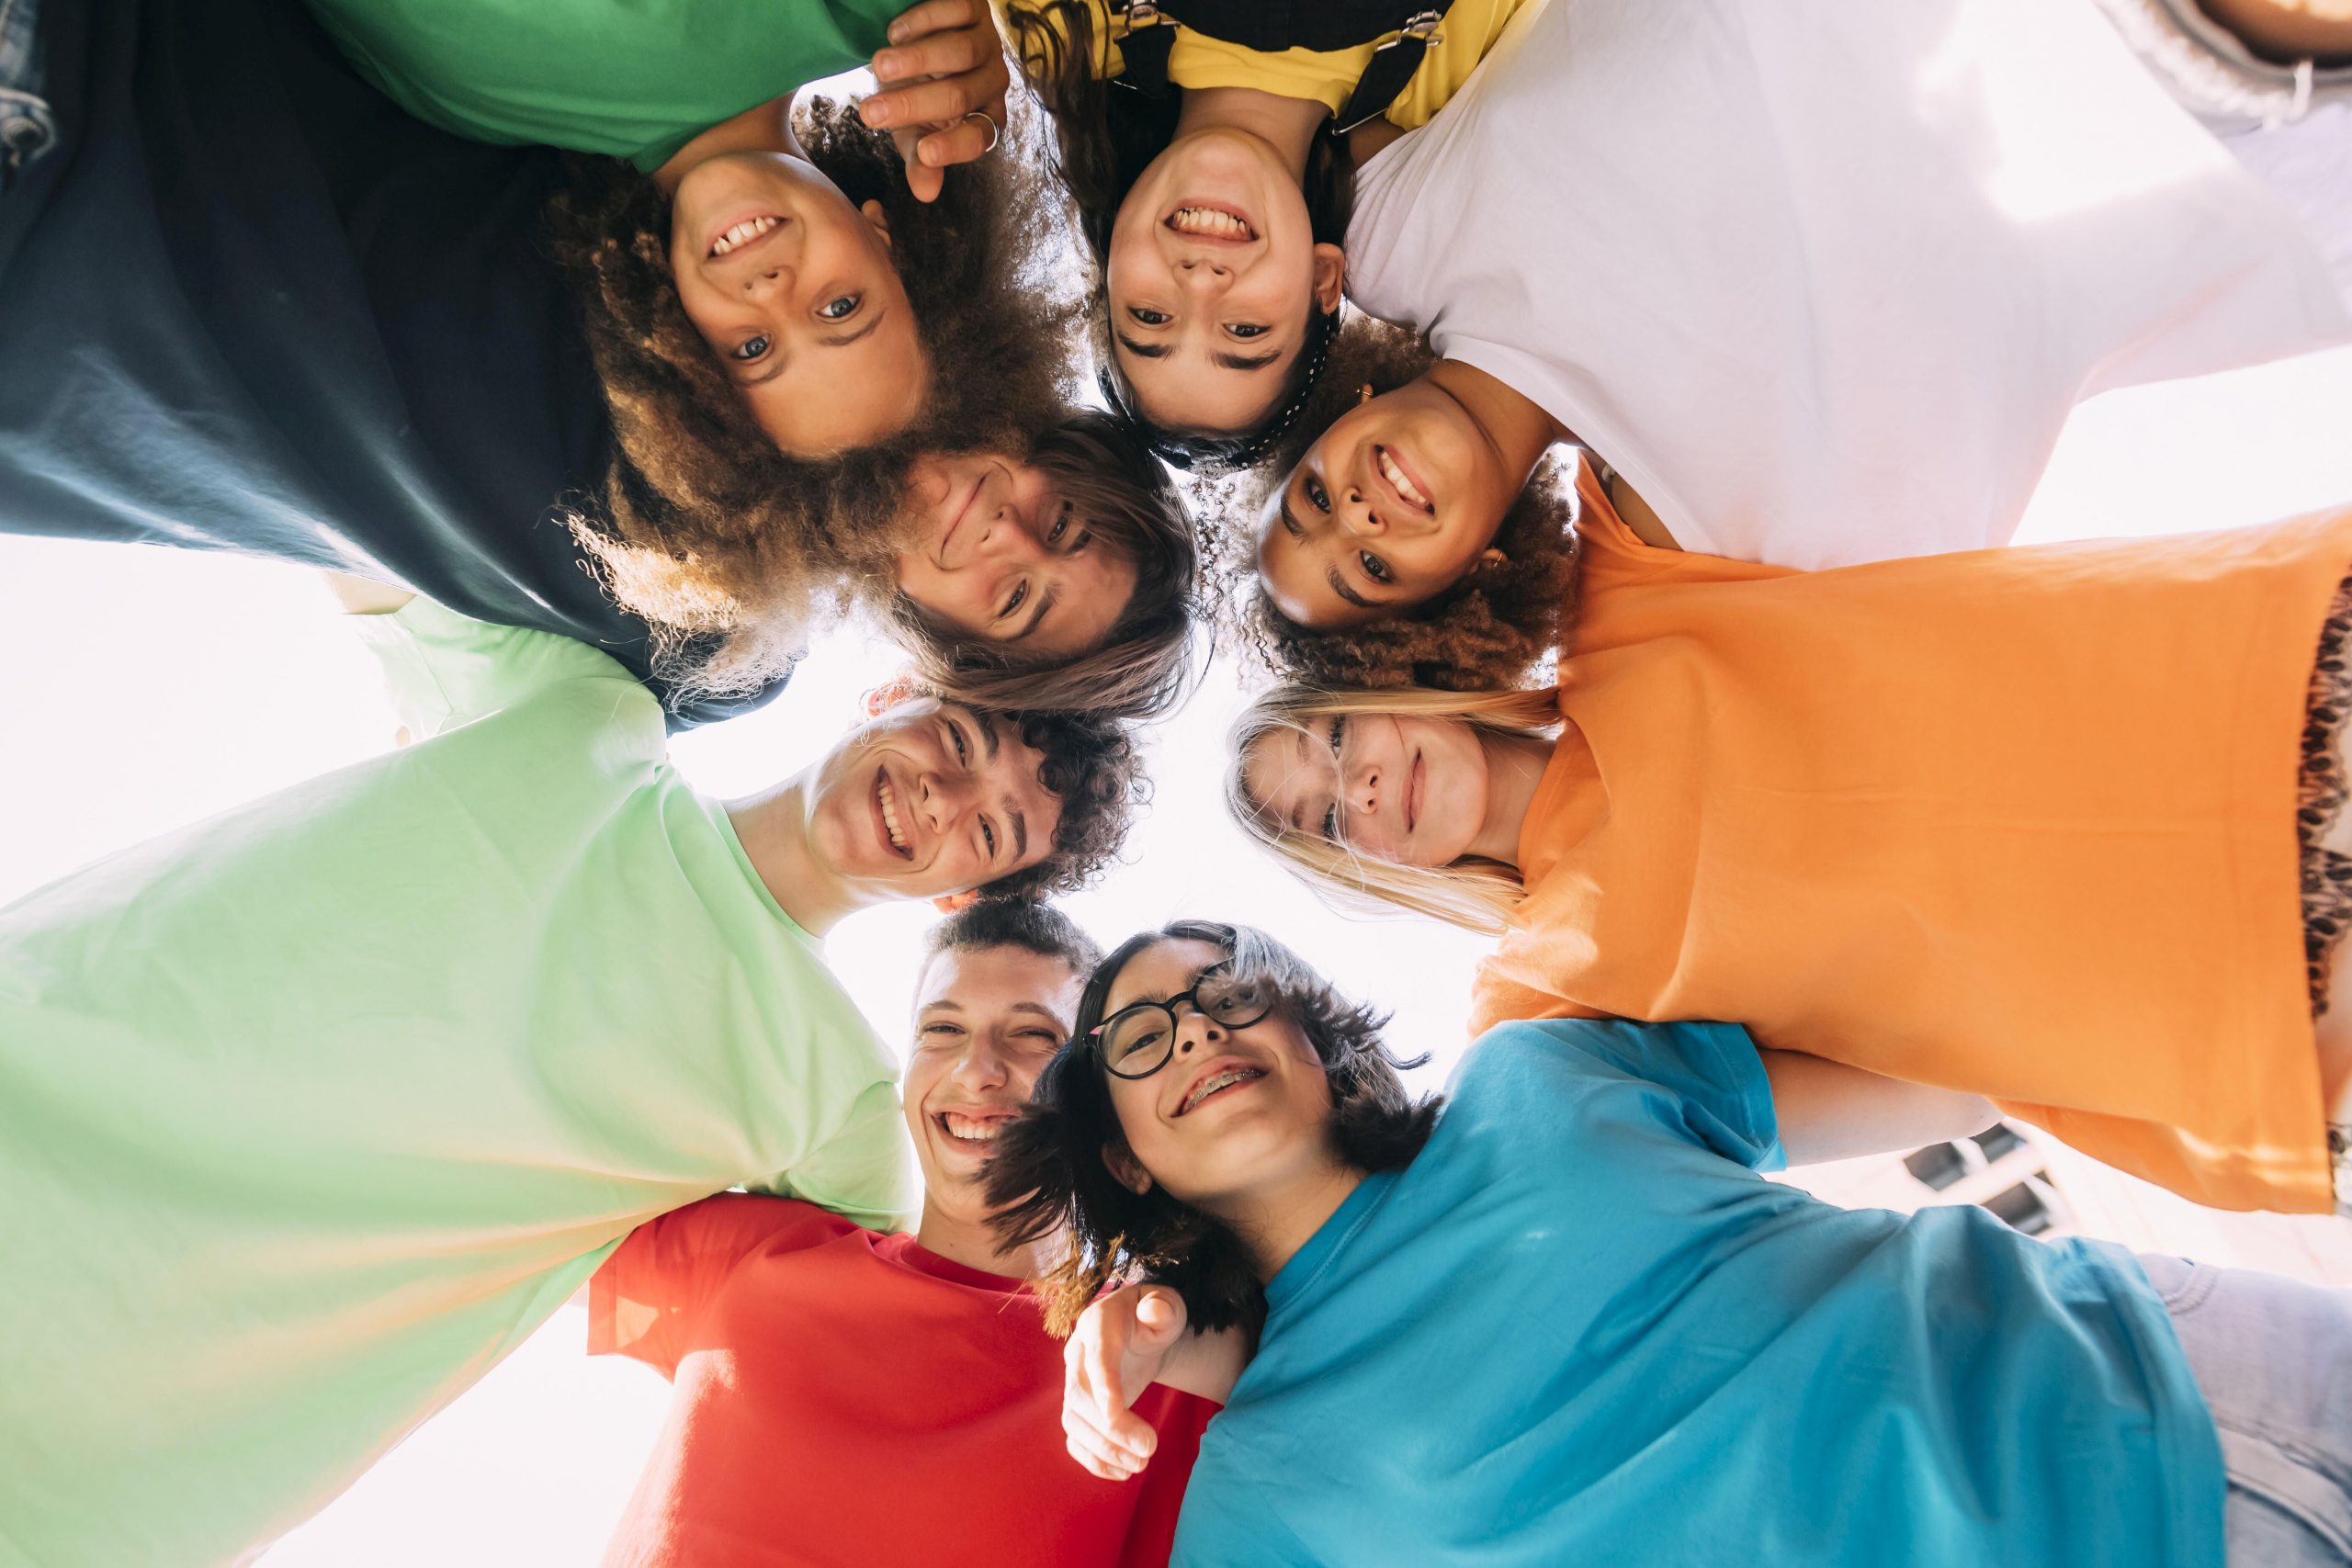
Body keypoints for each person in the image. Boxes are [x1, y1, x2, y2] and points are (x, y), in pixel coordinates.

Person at [0, 581, 1144, 1568]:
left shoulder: (836, 1098)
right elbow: (355, 531)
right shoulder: (587, 715)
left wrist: (1145, 1315)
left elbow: (893, 1333)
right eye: (958, 745)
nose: (943, 799)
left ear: (962, 894)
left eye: (990, 832)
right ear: (889, 696)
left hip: (184, 1370)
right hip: (45, 1062)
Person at [986, 919, 2352, 1566]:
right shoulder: (1255, 1496)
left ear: (1310, 1033)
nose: (1201, 1029)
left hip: (2186, 1367)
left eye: (1231, 990)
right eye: (1143, 1035)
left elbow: (1959, 1082)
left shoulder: (1535, 1075)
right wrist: (1146, 1316)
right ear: (1124, 1154)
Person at [0, 0, 1197, 724]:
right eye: (1061, 517)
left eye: (1016, 593)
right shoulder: (659, 199)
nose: (1005, 531)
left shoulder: (700, 633)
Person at [1229, 464, 2352, 1213]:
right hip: (2254, 998)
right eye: (1325, 820)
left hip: (2268, 679)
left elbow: (1605, 332)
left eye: (1336, 736)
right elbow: (1938, 1104)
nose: (1357, 784)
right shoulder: (1541, 1008)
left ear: (1385, 678)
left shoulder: (1620, 600)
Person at [1250, 0, 2352, 678]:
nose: (1358, 514)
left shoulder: (1388, 233)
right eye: (1372, 569)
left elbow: (1276, 69)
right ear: (1469, 576)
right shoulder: (1712, 522)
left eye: (1312, 500)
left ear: (1334, 421)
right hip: (2189, 112)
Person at [590, 901, 1228, 1567]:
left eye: (1032, 1034)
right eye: (942, 1029)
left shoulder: (1161, 1356)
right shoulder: (757, 1253)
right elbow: (536, 1200)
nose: (975, 1069)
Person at [1001, 0, 1535, 460]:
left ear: (1112, 259)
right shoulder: (1451, 76)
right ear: (1322, 278)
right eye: (1245, 330)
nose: (1200, 280)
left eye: (1150, 316)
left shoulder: (1064, 27)